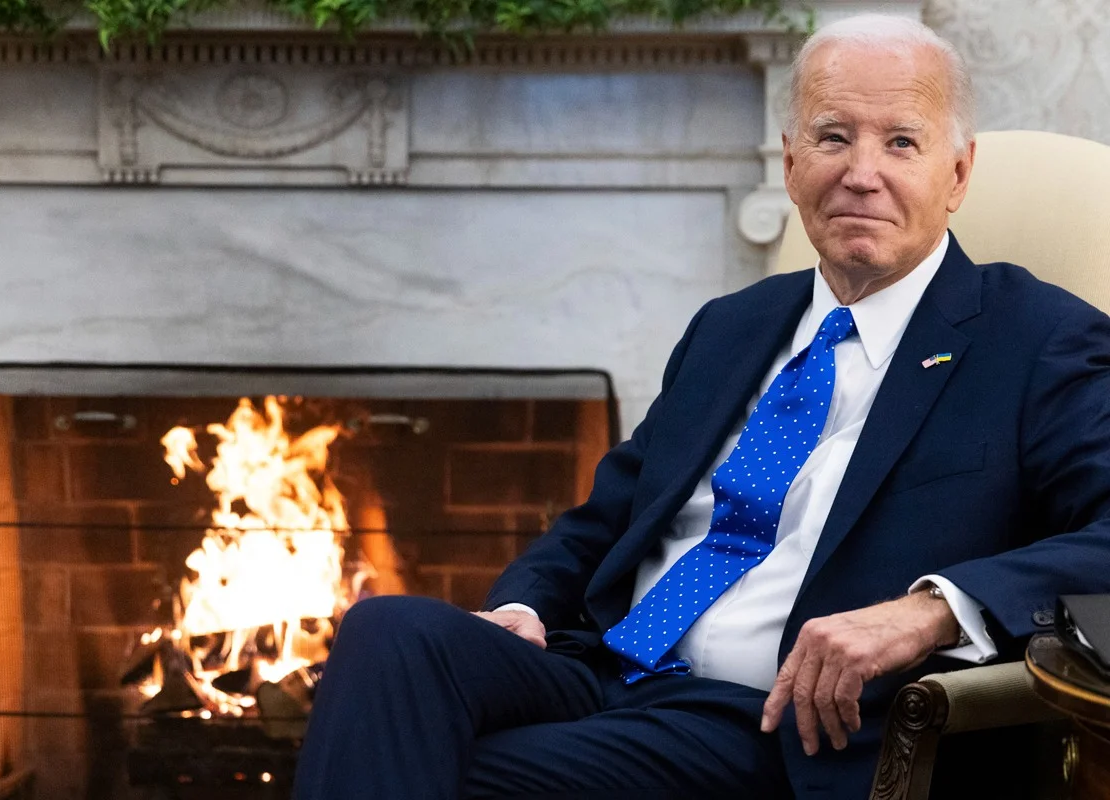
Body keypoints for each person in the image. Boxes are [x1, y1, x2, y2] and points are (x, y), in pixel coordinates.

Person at [293, 14, 1110, 799]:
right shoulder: (733, 326)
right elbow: (604, 519)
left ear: (958, 173)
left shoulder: (1036, 339)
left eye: (901, 142)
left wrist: (930, 610)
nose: (862, 172)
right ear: (790, 162)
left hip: (774, 720)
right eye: (832, 137)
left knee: (407, 756)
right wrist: (524, 607)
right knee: (384, 632)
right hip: (608, 669)